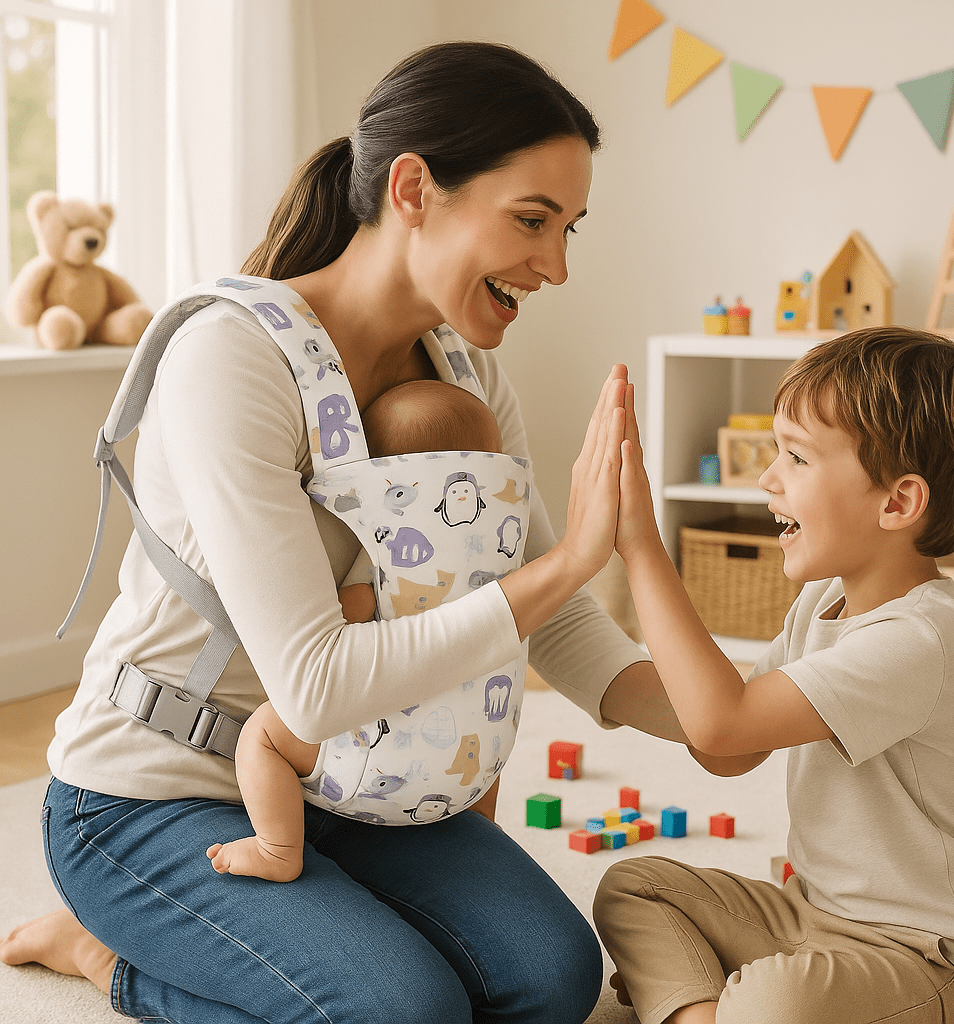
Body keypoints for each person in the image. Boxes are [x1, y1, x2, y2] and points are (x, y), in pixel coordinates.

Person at [0, 41, 687, 1024]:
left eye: (569, 228)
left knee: (551, 976)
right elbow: (315, 680)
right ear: (413, 189)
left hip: (342, 781)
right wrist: (579, 554)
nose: (558, 265)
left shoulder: (465, 369)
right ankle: (106, 956)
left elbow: (553, 616)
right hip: (147, 793)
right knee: (404, 1012)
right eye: (532, 221)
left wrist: (726, 717)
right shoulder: (230, 359)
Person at [594, 325, 954, 1024]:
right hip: (812, 913)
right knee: (634, 887)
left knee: (775, 1003)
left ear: (897, 503)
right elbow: (726, 748)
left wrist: (642, 546)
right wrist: (582, 663)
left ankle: (700, 1006)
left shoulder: (921, 638)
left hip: (929, 959)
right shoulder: (822, 603)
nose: (767, 479)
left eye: (795, 457)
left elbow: (721, 720)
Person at [207, 379, 508, 882]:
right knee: (484, 734)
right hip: (470, 754)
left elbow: (347, 619)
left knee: (262, 734)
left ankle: (277, 848)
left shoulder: (385, 550)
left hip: (376, 752)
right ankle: (480, 834)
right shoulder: (500, 559)